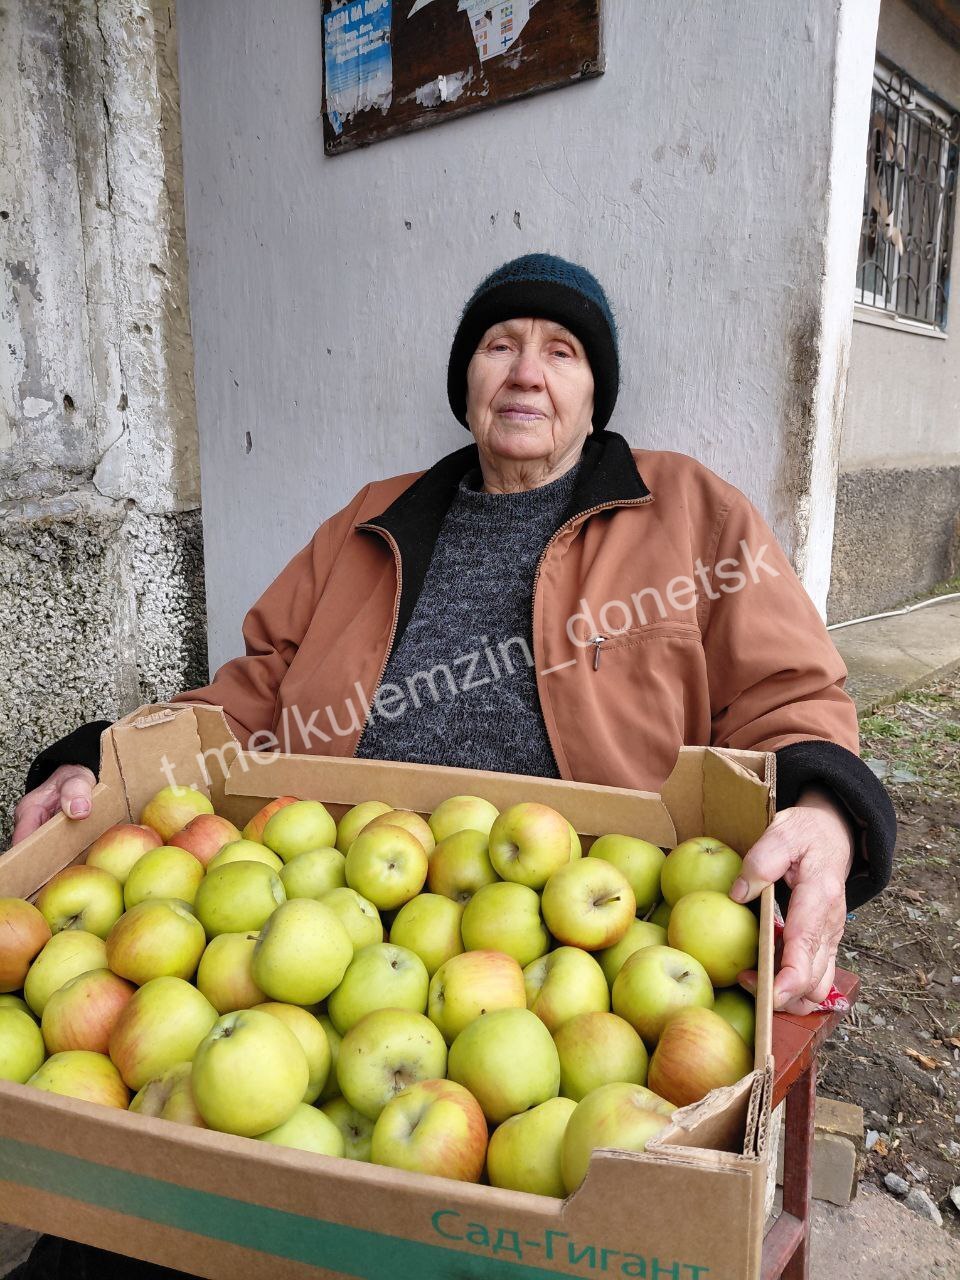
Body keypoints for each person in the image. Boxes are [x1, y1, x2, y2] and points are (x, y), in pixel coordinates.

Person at [10, 253, 894, 1277]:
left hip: (589, 950)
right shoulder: (370, 521)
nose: (526, 370)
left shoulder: (692, 512)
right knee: (115, 1235)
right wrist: (96, 759)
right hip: (315, 915)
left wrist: (829, 808)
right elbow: (251, 690)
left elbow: (793, 692)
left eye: (561, 351)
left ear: (593, 392)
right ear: (466, 380)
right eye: (499, 344)